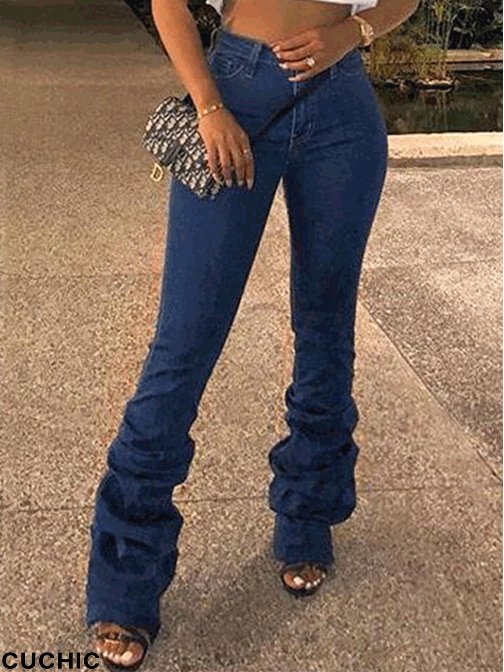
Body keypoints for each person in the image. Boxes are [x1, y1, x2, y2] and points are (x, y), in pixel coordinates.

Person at [86, 0, 419, 668]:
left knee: (326, 325)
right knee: (184, 342)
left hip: (342, 103)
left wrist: (350, 33)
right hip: (237, 92)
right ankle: (125, 578)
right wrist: (207, 104)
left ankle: (307, 515)